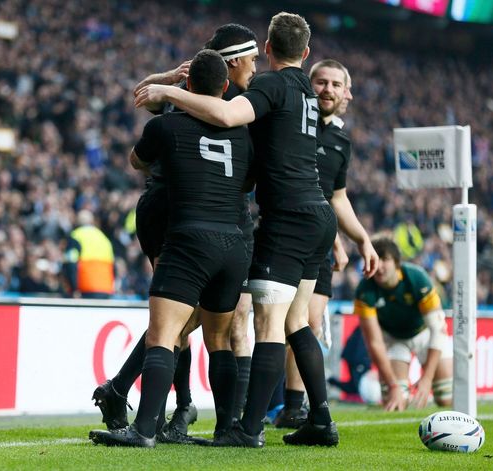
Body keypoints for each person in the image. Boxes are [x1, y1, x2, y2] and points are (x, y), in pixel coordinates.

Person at [135, 12, 346, 447]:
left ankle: (246, 429)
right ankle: (320, 419)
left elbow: (228, 116)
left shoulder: (269, 85)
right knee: (296, 323)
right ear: (306, 54)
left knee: (263, 325)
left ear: (268, 49)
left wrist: (169, 89)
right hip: (316, 215)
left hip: (280, 219)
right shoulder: (306, 89)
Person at [91, 23, 259, 443]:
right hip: (190, 218)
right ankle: (201, 416)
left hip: (188, 221)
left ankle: (151, 405)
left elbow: (137, 155)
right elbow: (145, 93)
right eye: (252, 60)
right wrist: (169, 84)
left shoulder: (173, 116)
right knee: (191, 325)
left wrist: (169, 90)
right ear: (229, 69)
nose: (257, 69)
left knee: (177, 324)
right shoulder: (239, 116)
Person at [274, 60, 378, 429]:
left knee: (309, 322)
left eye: (336, 84)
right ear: (308, 84)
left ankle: (294, 405)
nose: (327, 89)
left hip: (318, 242)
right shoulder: (292, 124)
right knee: (273, 320)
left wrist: (362, 238)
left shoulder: (340, 140)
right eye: (321, 82)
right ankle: (259, 405)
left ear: (345, 91)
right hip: (281, 231)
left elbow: (337, 197)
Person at [354, 237, 453, 411]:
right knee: (395, 402)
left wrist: (427, 378)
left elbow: (438, 330)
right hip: (393, 339)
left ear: (397, 262)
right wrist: (393, 385)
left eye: (385, 259)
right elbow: (374, 343)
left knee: (446, 397)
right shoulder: (364, 290)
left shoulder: (417, 278)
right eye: (376, 259)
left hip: (425, 334)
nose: (380, 266)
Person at [63, 209, 115, 299]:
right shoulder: (104, 238)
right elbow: (114, 267)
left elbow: (70, 263)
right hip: (106, 289)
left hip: (85, 289)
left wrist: (74, 288)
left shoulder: (75, 236)